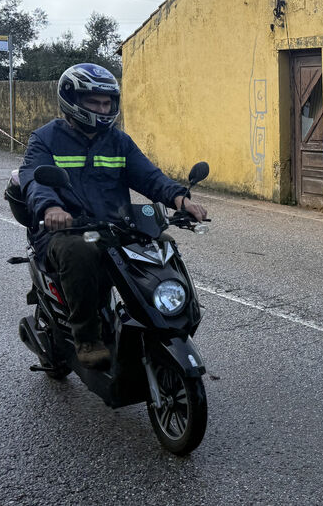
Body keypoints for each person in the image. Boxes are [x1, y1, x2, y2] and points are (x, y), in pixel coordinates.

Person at [18, 63, 207, 369]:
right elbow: (35, 180)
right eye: (94, 102)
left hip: (113, 225)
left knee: (162, 244)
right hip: (64, 231)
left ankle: (166, 316)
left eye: (107, 103)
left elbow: (149, 176)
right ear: (73, 101)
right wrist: (51, 209)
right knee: (80, 252)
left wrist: (179, 199)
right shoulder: (45, 139)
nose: (102, 109)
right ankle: (87, 337)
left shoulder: (119, 141)